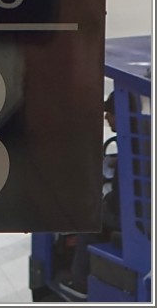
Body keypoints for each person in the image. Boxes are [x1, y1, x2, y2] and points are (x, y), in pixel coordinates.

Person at [58, 92, 121, 299]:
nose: (106, 118)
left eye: (109, 113)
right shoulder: (143, 138)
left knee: (88, 221)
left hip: (127, 218)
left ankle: (80, 284)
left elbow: (117, 202)